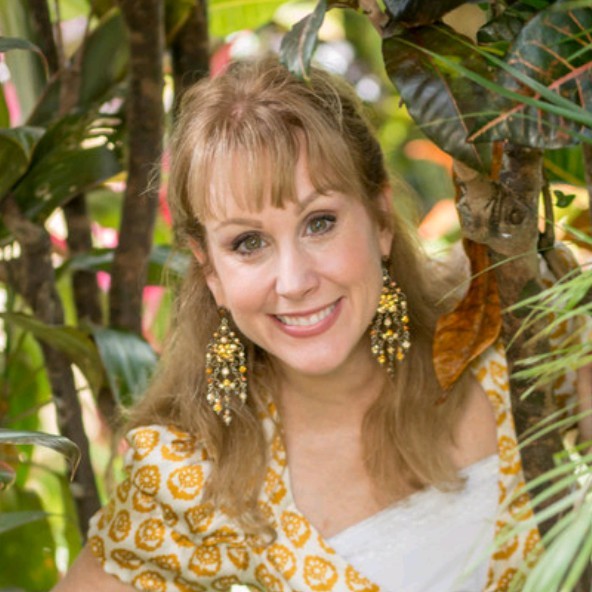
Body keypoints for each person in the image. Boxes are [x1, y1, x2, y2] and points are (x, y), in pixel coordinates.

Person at [53, 56, 585, 592]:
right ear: (210, 269)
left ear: (380, 219)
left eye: (320, 223)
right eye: (248, 243)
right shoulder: (195, 470)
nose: (294, 282)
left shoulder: (505, 318)